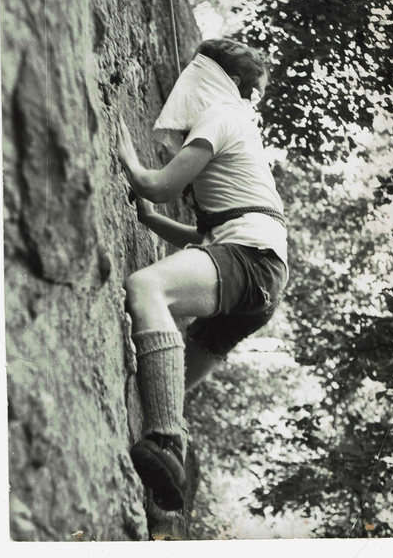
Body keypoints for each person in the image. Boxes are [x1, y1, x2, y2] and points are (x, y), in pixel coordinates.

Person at [117, 38, 288, 512]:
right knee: (160, 390)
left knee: (146, 287)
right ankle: (173, 480)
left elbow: (160, 183)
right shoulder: (243, 127)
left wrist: (123, 152)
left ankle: (169, 443)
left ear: (222, 80)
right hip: (264, 277)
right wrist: (152, 220)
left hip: (249, 259)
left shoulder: (222, 113)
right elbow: (210, 232)